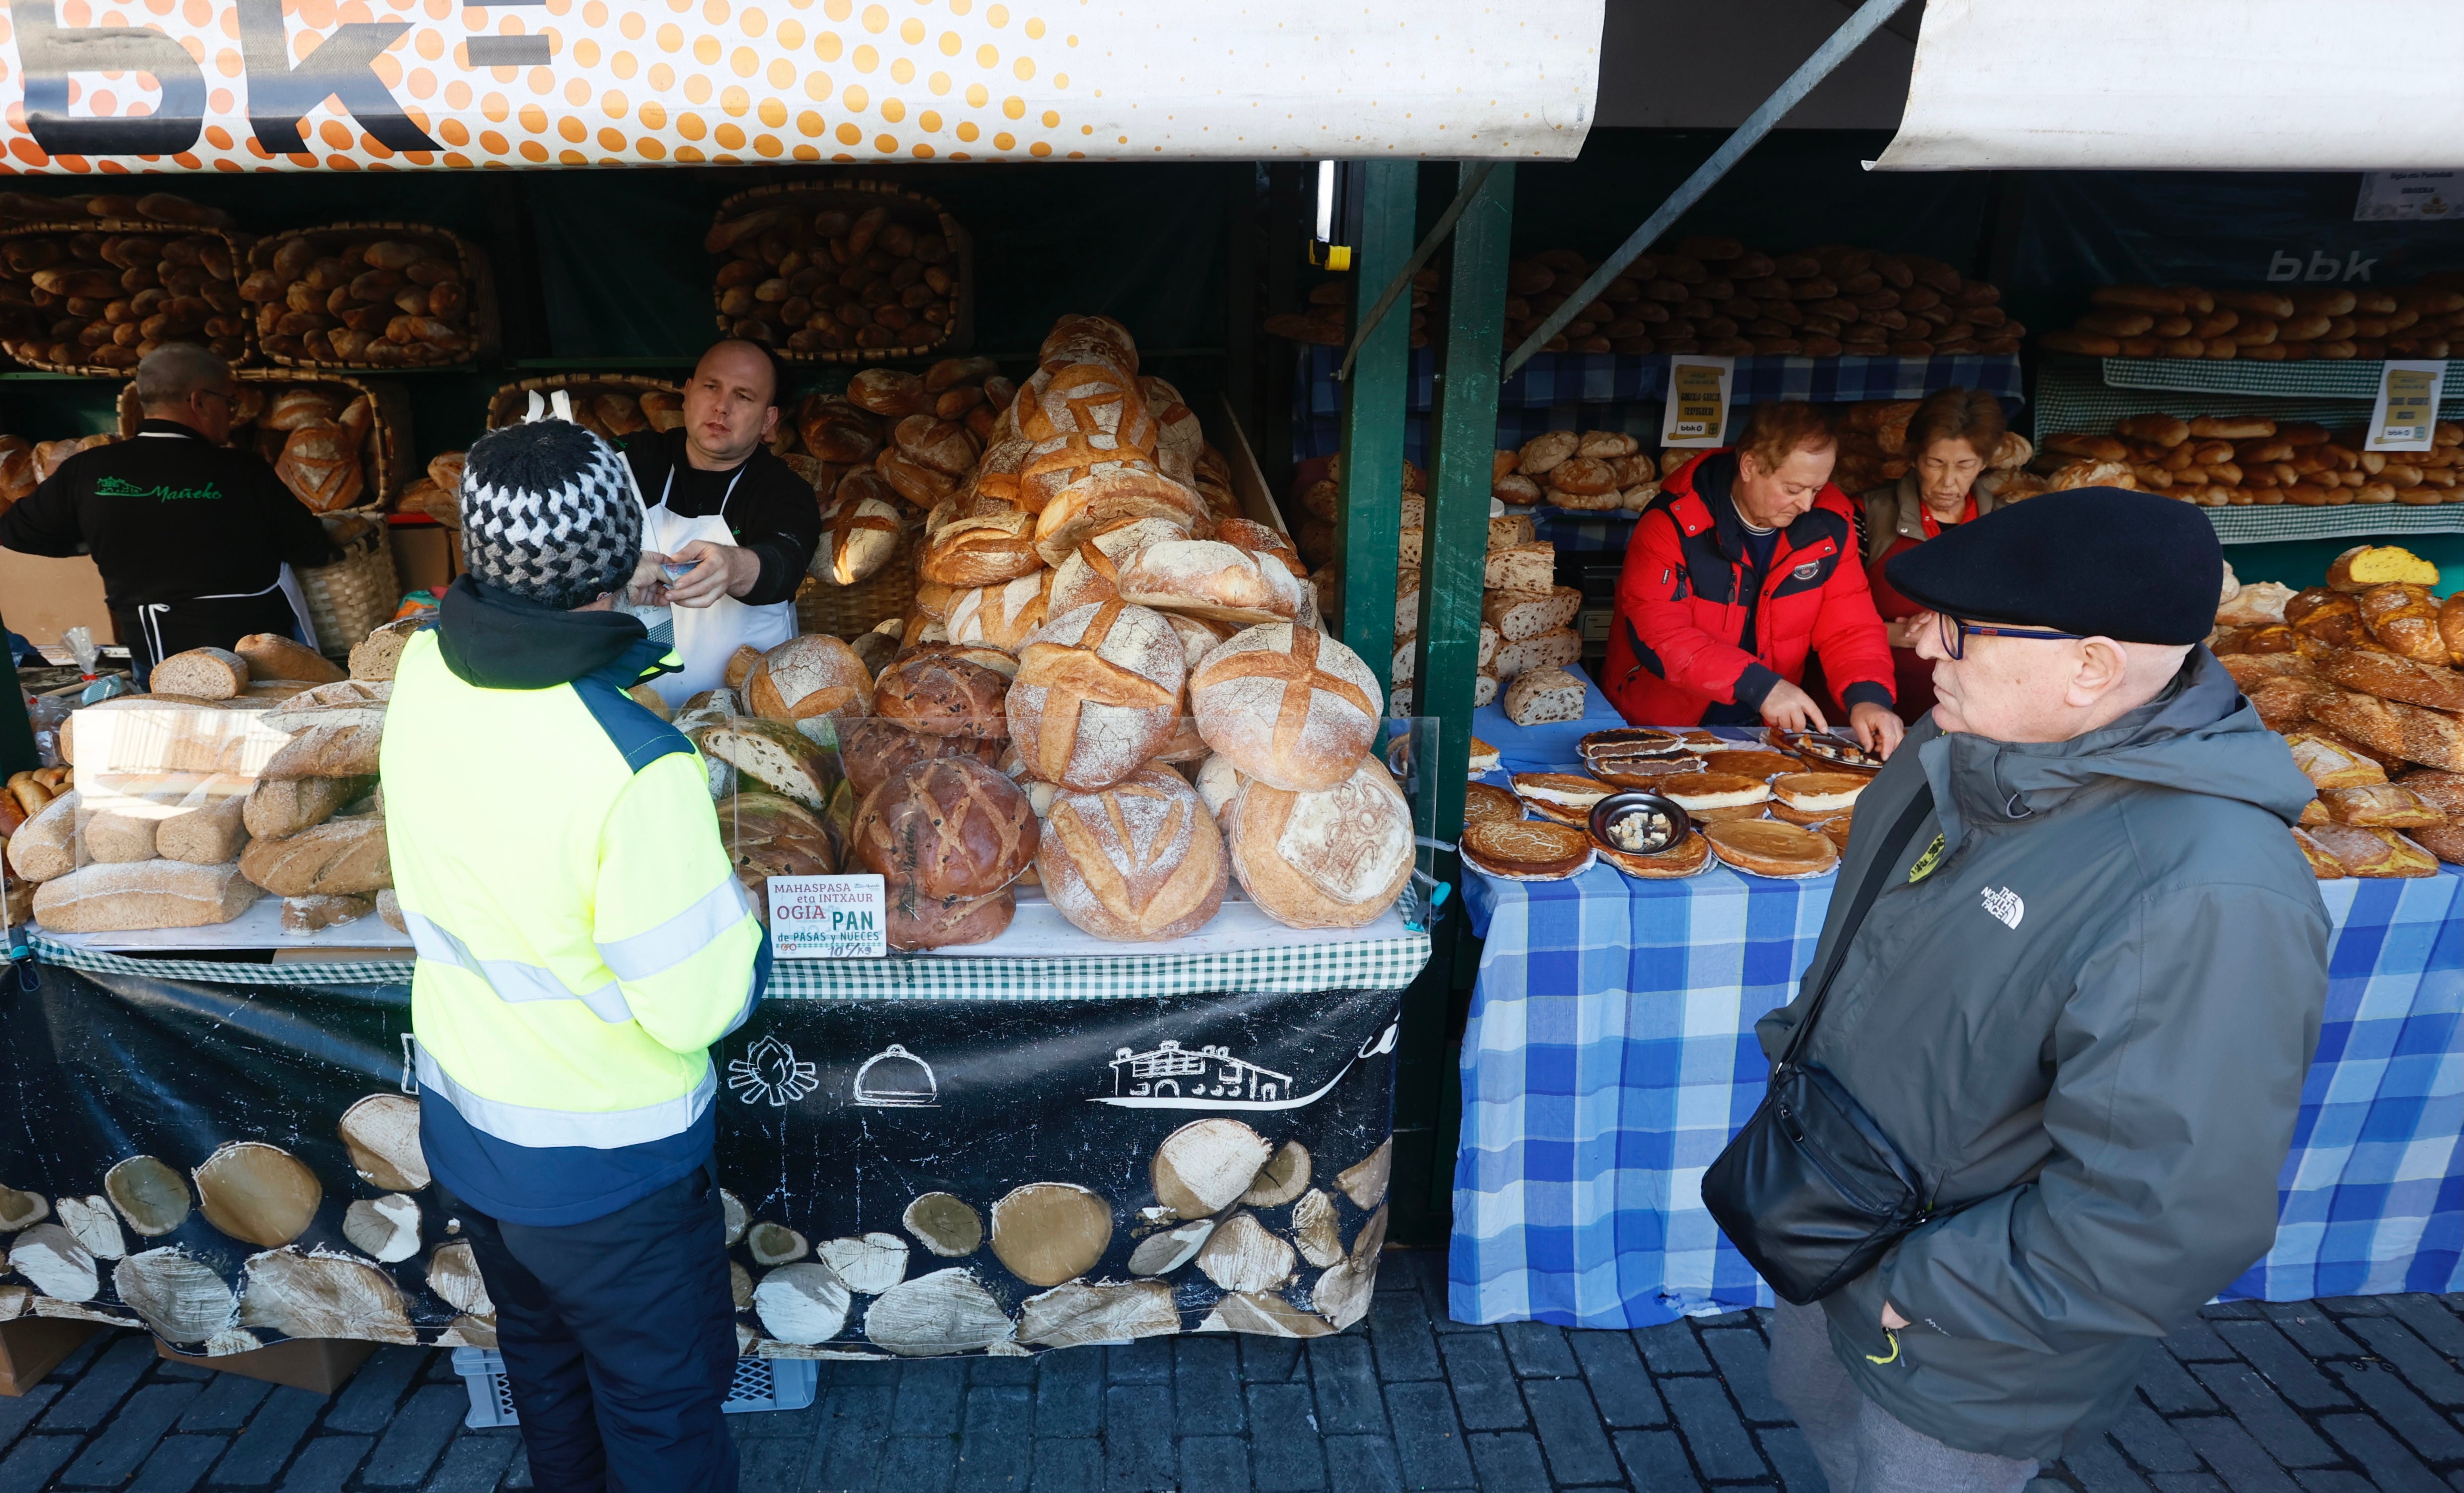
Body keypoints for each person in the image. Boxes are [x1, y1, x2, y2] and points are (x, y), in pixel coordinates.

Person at [1752, 487, 2330, 1491]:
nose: (1925, 645)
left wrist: (1922, 1290)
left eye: (1961, 628)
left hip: (1959, 1330)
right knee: (1817, 1423)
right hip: (1830, 1224)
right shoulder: (1948, 748)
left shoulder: (2210, 889)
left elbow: (2172, 1210)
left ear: (2091, 667)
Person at [381, 418, 769, 1492]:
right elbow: (696, 1006)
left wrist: (605, 592)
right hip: (610, 1176)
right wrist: (749, 935)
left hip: (474, 1135)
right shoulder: (638, 764)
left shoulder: (420, 671)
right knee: (661, 1410)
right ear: (609, 567)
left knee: (549, 1379)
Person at [0, 343, 333, 687]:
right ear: (199, 401)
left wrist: (94, 538)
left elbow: (15, 532)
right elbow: (312, 548)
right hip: (258, 666)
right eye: (228, 402)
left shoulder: (88, 471)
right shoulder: (243, 471)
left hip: (159, 669)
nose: (231, 415)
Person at [1605, 400, 1905, 759]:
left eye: (1816, 489)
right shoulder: (1673, 523)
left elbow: (1850, 627)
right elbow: (1660, 634)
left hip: (1765, 729)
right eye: (1793, 489)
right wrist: (1760, 685)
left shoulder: (1829, 527)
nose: (1806, 504)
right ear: (1749, 466)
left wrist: (1868, 697)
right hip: (1663, 725)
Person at [621, 338, 822, 703]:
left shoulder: (785, 491)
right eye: (711, 387)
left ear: (769, 421)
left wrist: (733, 565)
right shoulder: (634, 460)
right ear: (686, 394)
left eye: (743, 396)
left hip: (746, 720)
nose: (721, 406)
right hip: (629, 704)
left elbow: (784, 561)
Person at [1854, 388, 2008, 722]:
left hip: (1969, 715)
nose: (1947, 482)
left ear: (1983, 463)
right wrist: (1899, 633)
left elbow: (2022, 626)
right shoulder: (1864, 515)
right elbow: (1822, 618)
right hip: (1869, 708)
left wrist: (1953, 629)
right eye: (1935, 463)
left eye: (1964, 465)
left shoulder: (2007, 526)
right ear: (1913, 457)